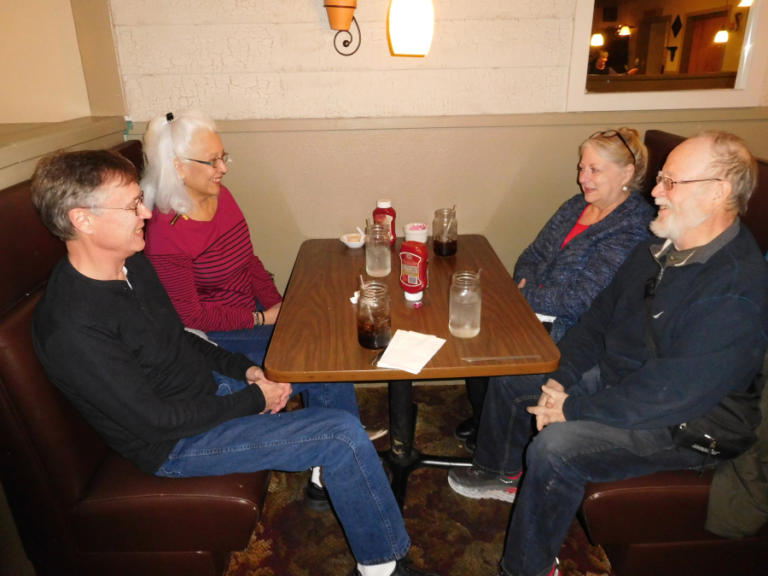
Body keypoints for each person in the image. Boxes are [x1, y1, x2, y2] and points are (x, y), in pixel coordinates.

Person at [30, 149, 438, 576]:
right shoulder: (72, 327)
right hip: (175, 443)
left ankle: (327, 481)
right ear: (83, 219)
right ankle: (383, 567)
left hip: (206, 392)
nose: (147, 212)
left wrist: (243, 370)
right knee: (341, 436)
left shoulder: (131, 265)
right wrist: (252, 399)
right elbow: (155, 421)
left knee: (318, 352)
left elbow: (182, 339)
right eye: (132, 205)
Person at [447, 131, 768, 576]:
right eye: (660, 178)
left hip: (687, 424)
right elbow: (597, 320)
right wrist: (560, 378)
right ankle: (500, 473)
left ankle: (526, 569)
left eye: (671, 182)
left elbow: (672, 396)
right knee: (523, 376)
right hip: (626, 380)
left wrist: (573, 408)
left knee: (555, 446)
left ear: (719, 192)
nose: (655, 192)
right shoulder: (660, 245)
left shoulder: (735, 288)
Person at [140, 110, 384, 509]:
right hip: (217, 331)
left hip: (249, 309)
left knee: (321, 330)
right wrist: (262, 319)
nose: (223, 169)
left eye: (224, 157)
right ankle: (335, 460)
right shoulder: (167, 235)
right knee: (320, 352)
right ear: (177, 167)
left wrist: (275, 303)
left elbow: (247, 260)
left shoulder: (220, 195)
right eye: (212, 161)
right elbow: (189, 318)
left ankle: (343, 442)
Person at [456, 127, 654, 450]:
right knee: (473, 332)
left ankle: (502, 435)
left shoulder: (632, 227)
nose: (582, 178)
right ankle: (488, 418)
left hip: (572, 329)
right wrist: (526, 291)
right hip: (535, 308)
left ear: (627, 173)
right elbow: (531, 255)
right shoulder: (576, 206)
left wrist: (522, 296)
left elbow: (582, 300)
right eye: (581, 167)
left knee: (488, 339)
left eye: (594, 170)